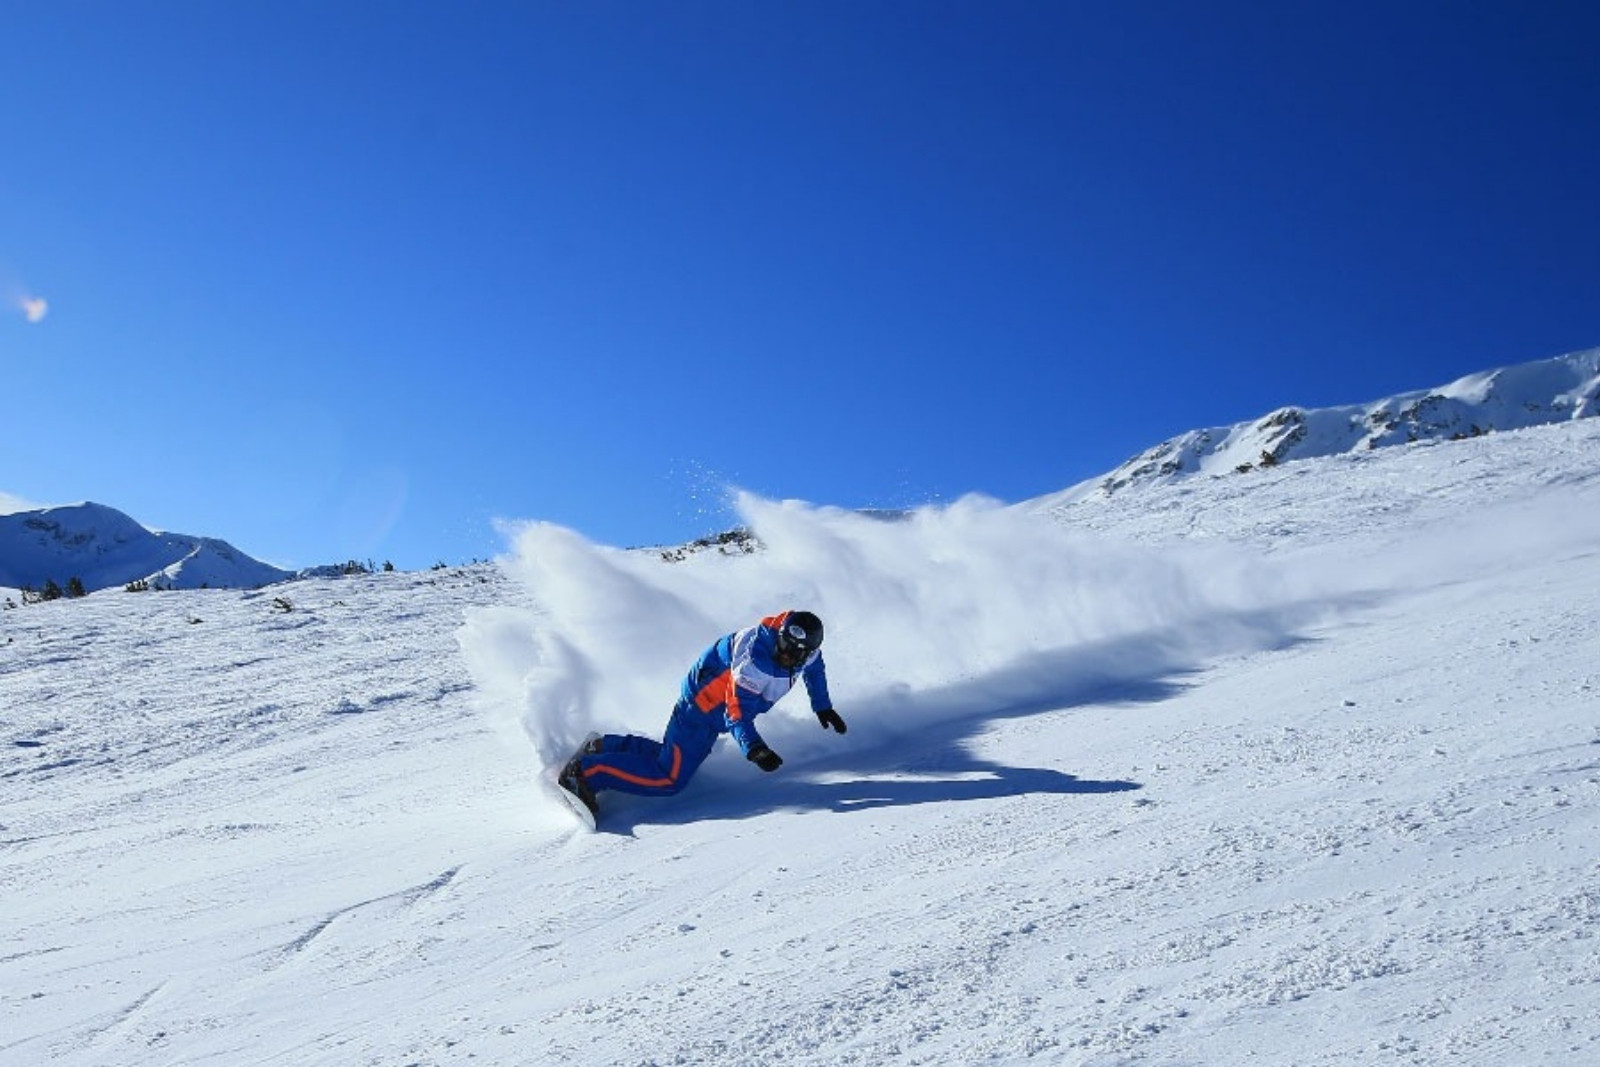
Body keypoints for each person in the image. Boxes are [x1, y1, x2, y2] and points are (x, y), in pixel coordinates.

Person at [558, 610, 845, 823]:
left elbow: (815, 669)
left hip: (711, 709)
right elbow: (737, 713)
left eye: (793, 654)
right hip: (700, 710)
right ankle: (587, 774)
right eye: (783, 649)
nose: (785, 657)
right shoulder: (754, 663)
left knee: (668, 756)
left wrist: (822, 705)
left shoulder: (808, 654)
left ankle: (604, 746)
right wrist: (755, 749)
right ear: (781, 637)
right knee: (669, 778)